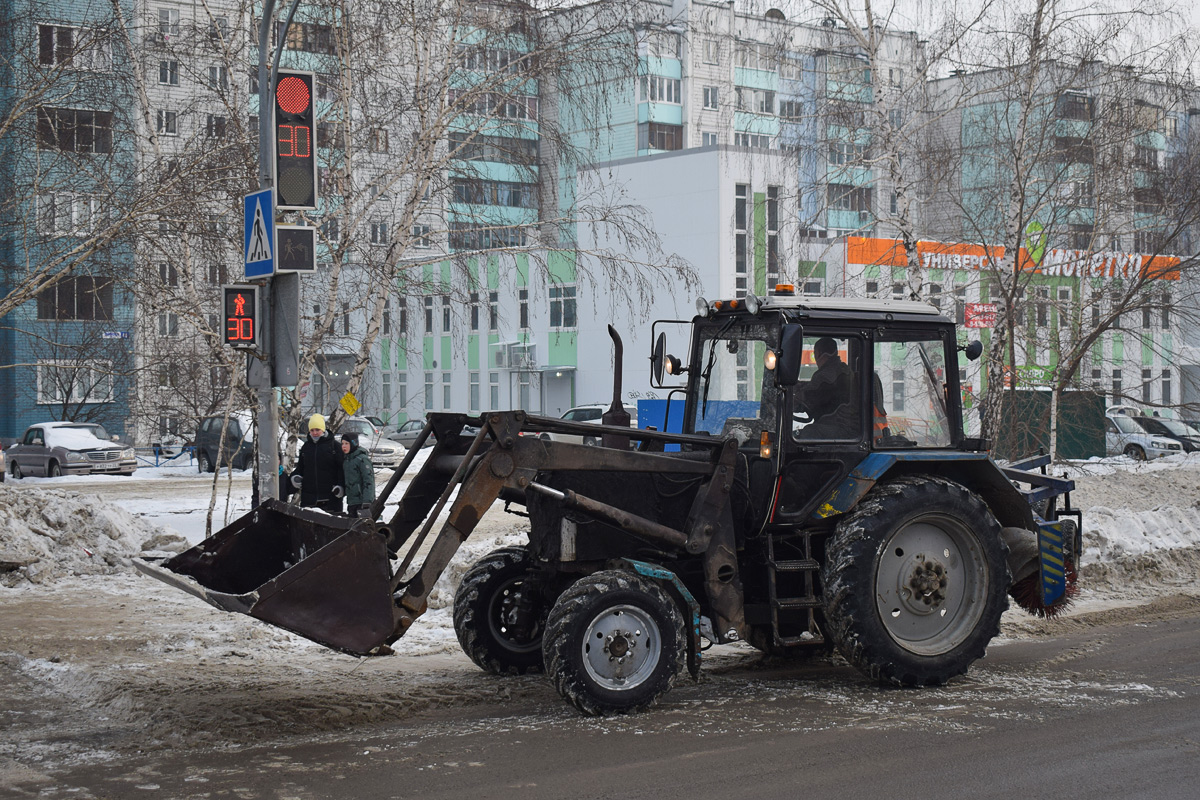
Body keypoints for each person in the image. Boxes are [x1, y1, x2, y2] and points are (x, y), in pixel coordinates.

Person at [795, 337, 858, 439]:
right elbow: (817, 388)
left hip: (841, 428)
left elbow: (806, 396)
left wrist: (790, 400)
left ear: (819, 353)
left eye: (815, 353)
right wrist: (799, 385)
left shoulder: (824, 375)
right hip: (847, 426)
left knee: (808, 432)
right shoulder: (842, 369)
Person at [291, 413, 345, 513]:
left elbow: (342, 470)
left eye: (317, 430)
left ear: (323, 430)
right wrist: (295, 477)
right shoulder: (306, 447)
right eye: (312, 430)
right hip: (309, 499)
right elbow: (301, 468)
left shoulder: (335, 446)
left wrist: (341, 487)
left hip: (331, 498)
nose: (314, 433)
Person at [341, 431, 376, 518]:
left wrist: (367, 501)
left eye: (346, 443)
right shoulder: (346, 460)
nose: (344, 446)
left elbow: (369, 480)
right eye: (342, 443)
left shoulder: (362, 460)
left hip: (362, 502)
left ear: (353, 444)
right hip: (352, 501)